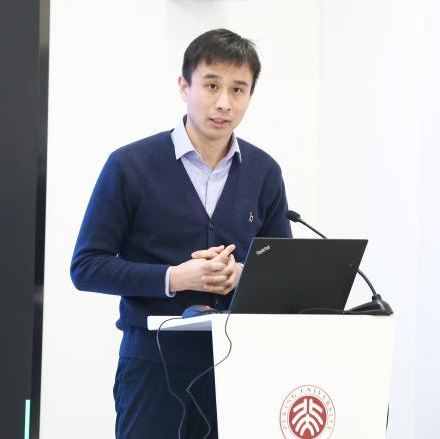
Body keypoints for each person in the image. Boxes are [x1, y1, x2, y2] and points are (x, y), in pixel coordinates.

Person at [70, 28, 292, 438]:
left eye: (238, 89)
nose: (224, 102)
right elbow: (86, 267)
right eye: (211, 85)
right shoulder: (130, 165)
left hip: (238, 366)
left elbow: (283, 272)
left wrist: (242, 275)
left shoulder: (265, 172)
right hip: (153, 364)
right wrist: (174, 278)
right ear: (184, 86)